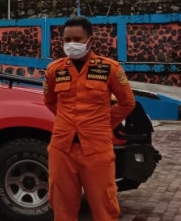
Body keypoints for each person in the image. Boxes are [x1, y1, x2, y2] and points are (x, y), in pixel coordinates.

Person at [43, 16, 136, 221]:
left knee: (104, 206)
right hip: (62, 149)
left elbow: (127, 103)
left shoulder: (109, 68)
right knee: (62, 207)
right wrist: (67, 123)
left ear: (90, 41)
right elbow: (49, 101)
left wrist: (103, 124)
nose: (71, 44)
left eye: (77, 39)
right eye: (67, 40)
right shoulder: (54, 70)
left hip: (96, 149)